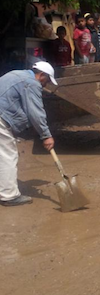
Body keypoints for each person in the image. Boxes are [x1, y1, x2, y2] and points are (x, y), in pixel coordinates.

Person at [0, 62, 56, 206]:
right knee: (8, 156)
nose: (46, 84)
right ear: (42, 75)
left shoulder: (17, 73)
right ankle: (9, 196)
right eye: (47, 80)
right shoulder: (32, 83)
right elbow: (35, 112)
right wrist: (46, 135)